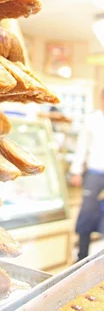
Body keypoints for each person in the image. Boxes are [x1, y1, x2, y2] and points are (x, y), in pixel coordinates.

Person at [70, 88, 104, 261]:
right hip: (94, 174)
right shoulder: (92, 120)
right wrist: (76, 171)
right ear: (101, 99)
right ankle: (82, 257)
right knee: (87, 214)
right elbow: (81, 146)